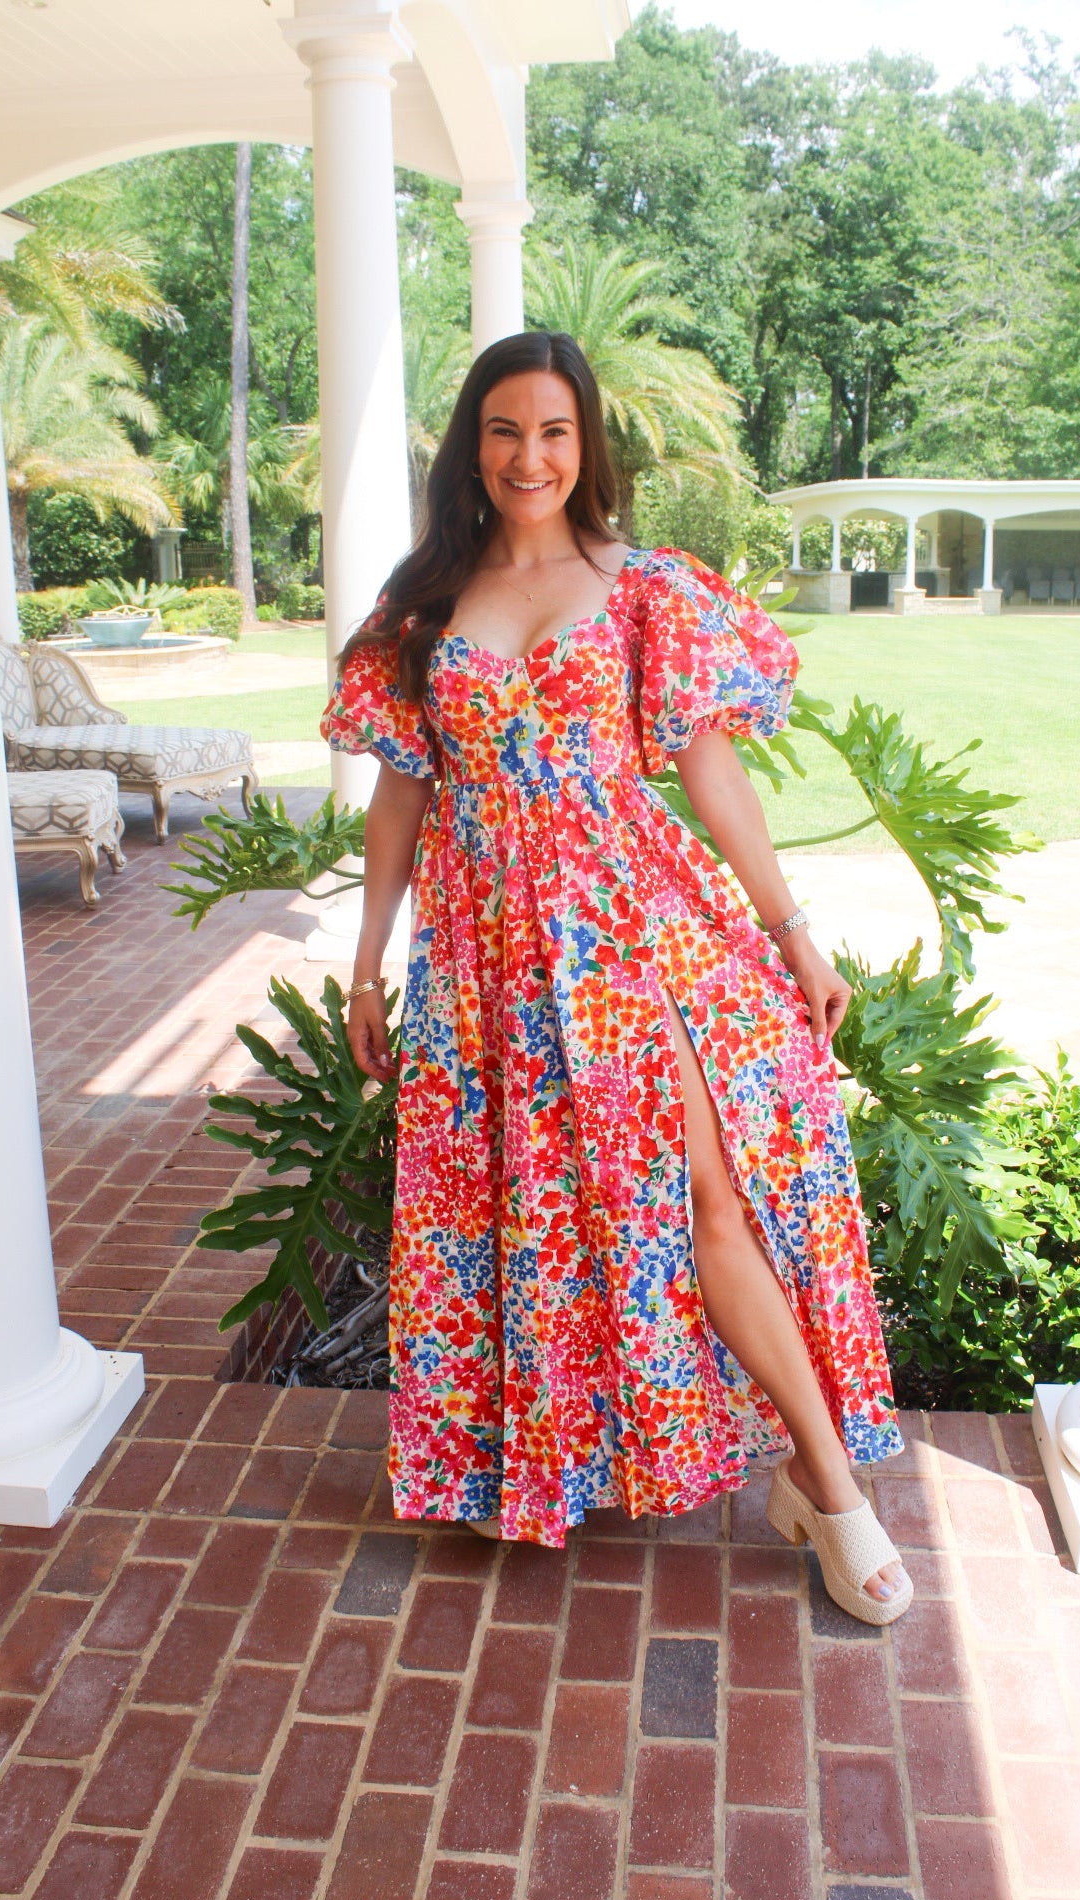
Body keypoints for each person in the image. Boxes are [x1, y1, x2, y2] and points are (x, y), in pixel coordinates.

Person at [320, 331, 911, 1625]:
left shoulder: (642, 587)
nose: (528, 457)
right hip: (483, 955)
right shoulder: (423, 601)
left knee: (705, 1192)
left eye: (554, 431)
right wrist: (367, 968)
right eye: (504, 429)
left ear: (585, 444)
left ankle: (827, 1485)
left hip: (625, 929)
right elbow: (400, 797)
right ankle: (539, 1459)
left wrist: (793, 930)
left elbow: (710, 771)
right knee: (521, 1216)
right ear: (472, 444)